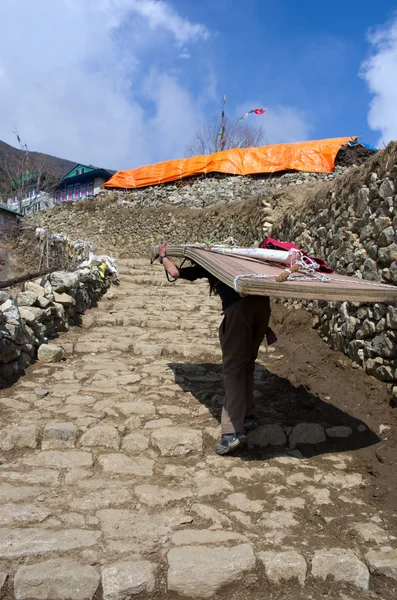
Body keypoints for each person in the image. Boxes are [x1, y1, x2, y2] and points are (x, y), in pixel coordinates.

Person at [158, 241, 272, 455]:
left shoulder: (210, 264)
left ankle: (232, 433)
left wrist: (163, 256)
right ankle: (248, 415)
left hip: (239, 311)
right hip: (262, 308)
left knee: (234, 368)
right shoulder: (244, 260)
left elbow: (174, 272)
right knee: (247, 363)